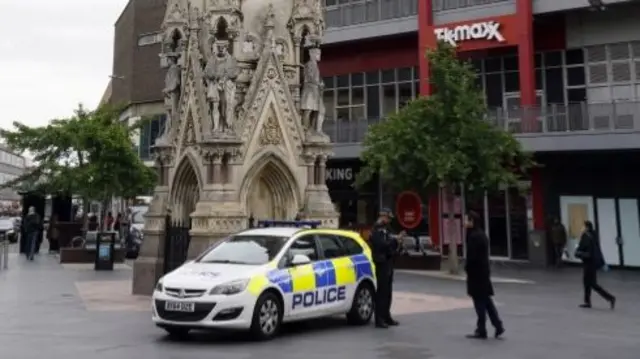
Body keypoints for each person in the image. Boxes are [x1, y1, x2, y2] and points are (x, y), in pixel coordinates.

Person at [464, 210, 505, 339]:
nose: (464, 222)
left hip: (477, 273)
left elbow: (472, 256)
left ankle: (481, 328)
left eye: (467, 220)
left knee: (479, 302)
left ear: (472, 221)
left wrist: (467, 267)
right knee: (486, 300)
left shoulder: (474, 236)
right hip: (483, 272)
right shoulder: (481, 234)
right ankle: (498, 325)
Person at [369, 208, 401, 329]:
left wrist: (397, 240)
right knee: (382, 292)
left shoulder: (386, 229)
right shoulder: (377, 229)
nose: (389, 220)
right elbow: (381, 244)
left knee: (388, 292)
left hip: (388, 261)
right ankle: (379, 319)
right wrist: (394, 240)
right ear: (383, 217)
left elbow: (390, 241)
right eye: (387, 218)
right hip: (381, 262)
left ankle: (387, 316)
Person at [575, 220, 616, 309]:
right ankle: (588, 302)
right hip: (592, 263)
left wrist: (578, 253)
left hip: (588, 263)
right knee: (587, 283)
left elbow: (584, 250)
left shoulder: (586, 236)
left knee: (592, 284)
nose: (581, 228)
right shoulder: (593, 235)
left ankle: (610, 298)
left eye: (583, 226)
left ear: (586, 227)